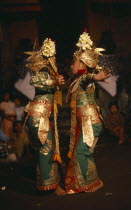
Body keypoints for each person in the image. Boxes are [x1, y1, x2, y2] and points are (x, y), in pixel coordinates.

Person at [64, 31, 111, 194]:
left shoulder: (84, 79)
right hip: (85, 123)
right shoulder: (76, 81)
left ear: (83, 65)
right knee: (82, 153)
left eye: (74, 62)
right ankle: (89, 182)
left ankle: (92, 182)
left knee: (81, 153)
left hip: (89, 123)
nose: (71, 65)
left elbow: (87, 78)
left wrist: (95, 77)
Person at [24, 38, 65, 194]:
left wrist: (56, 82)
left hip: (42, 115)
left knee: (47, 148)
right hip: (39, 116)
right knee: (46, 149)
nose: (53, 59)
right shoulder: (41, 72)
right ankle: (50, 187)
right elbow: (35, 81)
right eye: (51, 57)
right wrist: (53, 83)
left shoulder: (49, 72)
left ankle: (48, 183)